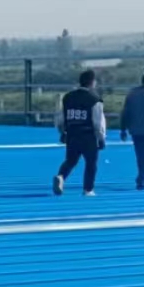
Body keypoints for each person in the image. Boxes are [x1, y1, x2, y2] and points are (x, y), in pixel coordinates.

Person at [52, 69, 107, 197]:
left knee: (70, 160)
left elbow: (61, 118)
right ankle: (88, 189)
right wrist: (101, 138)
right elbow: (98, 121)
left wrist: (62, 131)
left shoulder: (68, 97)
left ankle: (61, 177)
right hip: (88, 135)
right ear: (92, 82)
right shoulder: (95, 99)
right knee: (91, 163)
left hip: (72, 134)